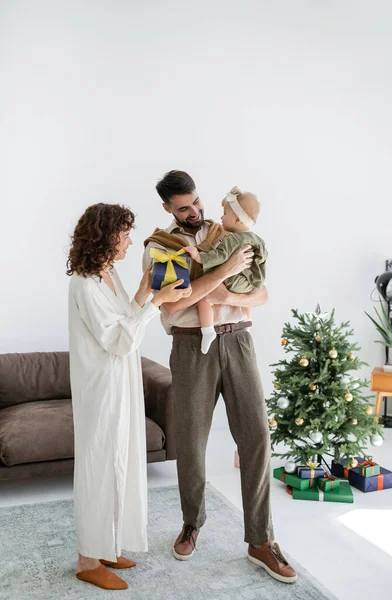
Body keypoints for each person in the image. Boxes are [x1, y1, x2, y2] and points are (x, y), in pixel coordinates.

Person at [142, 171, 297, 584]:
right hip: (192, 347)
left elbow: (262, 293)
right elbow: (174, 308)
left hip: (239, 340)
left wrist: (227, 294)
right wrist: (226, 269)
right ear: (167, 209)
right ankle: (192, 523)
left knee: (258, 436)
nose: (194, 211)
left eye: (195, 202)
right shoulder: (161, 246)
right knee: (190, 440)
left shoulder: (227, 229)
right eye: (183, 207)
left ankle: (260, 541)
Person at [67, 203, 191, 591]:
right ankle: (88, 559)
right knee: (100, 468)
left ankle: (107, 545)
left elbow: (127, 317)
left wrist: (144, 291)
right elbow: (119, 339)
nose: (130, 241)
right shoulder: (85, 284)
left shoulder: (107, 274)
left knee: (122, 464)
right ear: (106, 236)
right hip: (102, 389)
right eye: (124, 234)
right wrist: (154, 302)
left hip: (121, 384)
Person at [184, 186, 267, 353]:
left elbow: (218, 256)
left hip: (232, 280)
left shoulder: (232, 240)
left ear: (237, 220)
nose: (221, 217)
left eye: (225, 213)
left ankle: (207, 331)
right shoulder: (257, 239)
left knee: (204, 295)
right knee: (246, 296)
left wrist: (199, 256)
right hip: (248, 282)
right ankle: (248, 321)